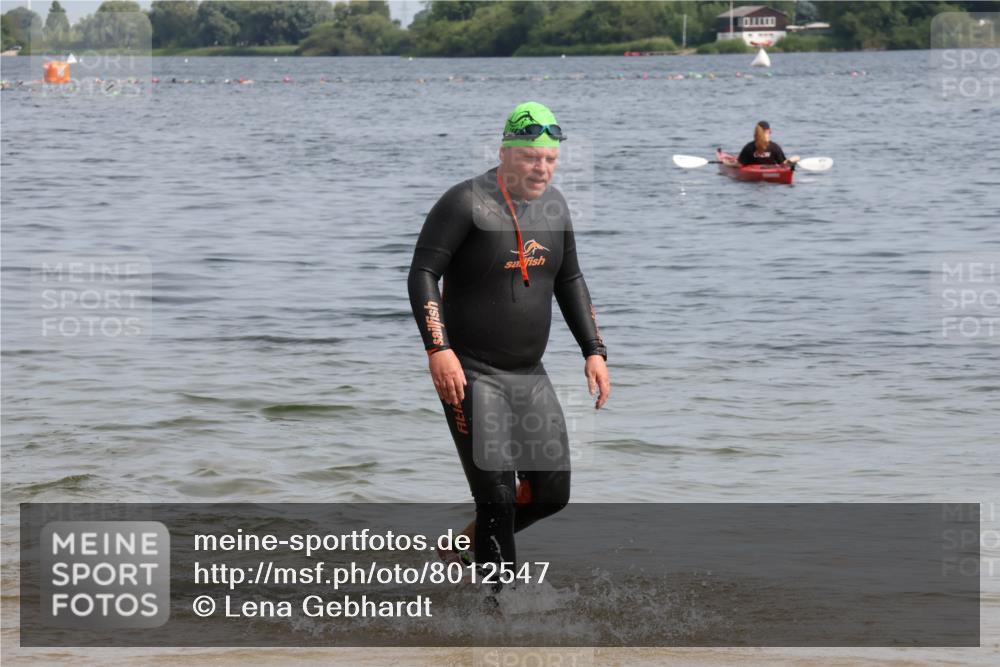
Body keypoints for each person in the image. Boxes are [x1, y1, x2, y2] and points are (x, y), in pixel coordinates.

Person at [407, 101, 611, 586]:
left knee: (551, 494)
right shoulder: (465, 203)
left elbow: (570, 279)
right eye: (529, 157)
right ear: (504, 153)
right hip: (471, 372)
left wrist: (594, 350)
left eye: (550, 159)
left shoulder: (555, 207)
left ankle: (464, 548)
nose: (541, 168)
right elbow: (423, 273)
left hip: (529, 374)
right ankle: (501, 612)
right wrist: (439, 349)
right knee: (496, 496)